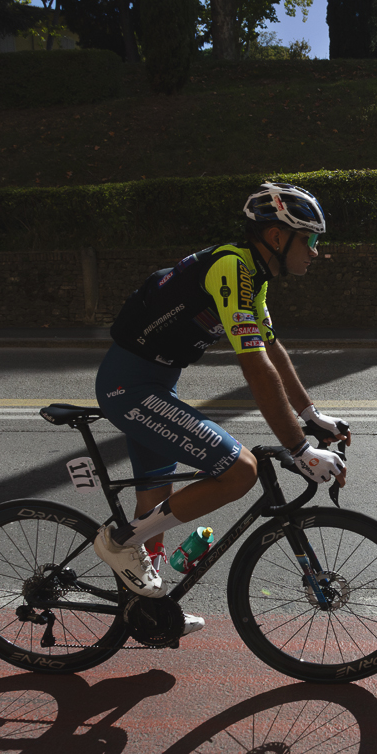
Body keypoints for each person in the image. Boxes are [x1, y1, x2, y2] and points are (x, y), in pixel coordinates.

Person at [92, 182, 349, 635]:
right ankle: (118, 542)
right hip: (129, 389)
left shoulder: (253, 274)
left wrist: (311, 416)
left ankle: (147, 609)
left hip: (149, 386)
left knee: (153, 501)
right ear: (276, 237)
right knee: (240, 471)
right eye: (309, 239)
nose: (315, 251)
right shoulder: (232, 268)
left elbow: (271, 350)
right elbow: (253, 366)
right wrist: (298, 448)